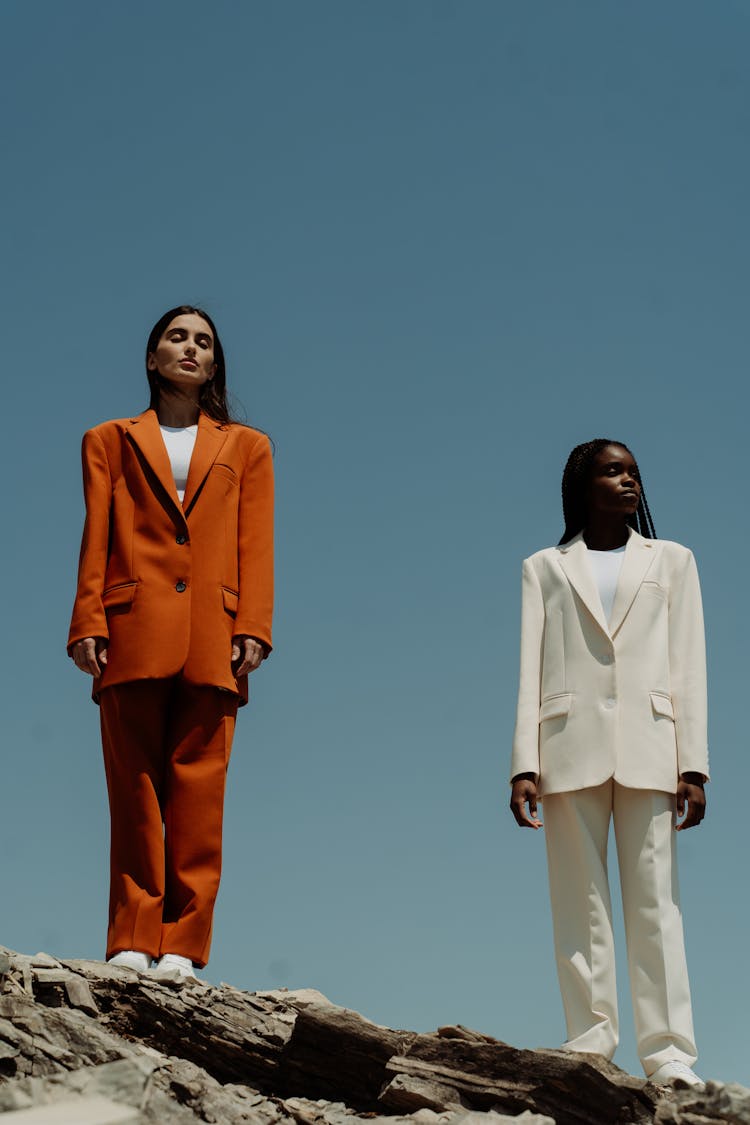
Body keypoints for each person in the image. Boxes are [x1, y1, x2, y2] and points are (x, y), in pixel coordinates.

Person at [68, 305, 274, 979]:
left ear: (214, 364)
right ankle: (132, 934)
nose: (191, 348)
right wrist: (87, 621)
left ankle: (183, 945)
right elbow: (95, 533)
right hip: (129, 628)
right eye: (177, 338)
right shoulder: (108, 440)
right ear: (153, 358)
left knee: (199, 798)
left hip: (216, 636)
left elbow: (256, 544)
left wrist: (255, 627)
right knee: (133, 792)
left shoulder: (248, 447)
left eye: (204, 341)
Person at [509, 439, 707, 1087]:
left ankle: (670, 1052)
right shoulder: (544, 568)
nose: (629, 481)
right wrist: (523, 765)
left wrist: (695, 765)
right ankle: (590, 1040)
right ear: (582, 484)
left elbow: (689, 664)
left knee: (656, 903)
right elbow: (528, 671)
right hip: (566, 747)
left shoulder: (673, 561)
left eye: (634, 473)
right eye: (613, 471)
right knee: (578, 902)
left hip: (653, 746)